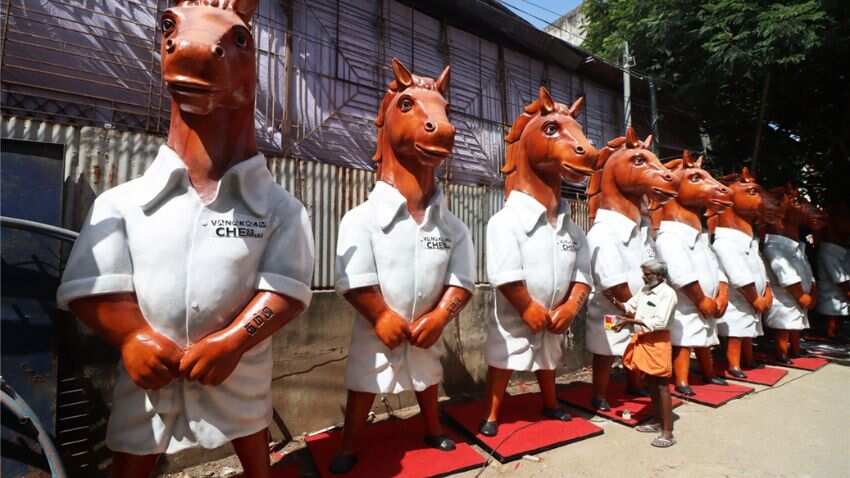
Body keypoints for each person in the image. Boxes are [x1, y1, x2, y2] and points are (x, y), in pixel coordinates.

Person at [612, 259, 678, 448]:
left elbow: (660, 322)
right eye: (643, 273)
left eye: (647, 274)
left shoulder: (668, 294)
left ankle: (668, 432)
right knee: (650, 382)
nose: (643, 277)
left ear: (659, 275)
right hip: (642, 340)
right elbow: (629, 307)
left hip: (658, 342)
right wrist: (613, 300)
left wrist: (629, 322)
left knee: (662, 386)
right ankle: (656, 421)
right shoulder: (644, 290)